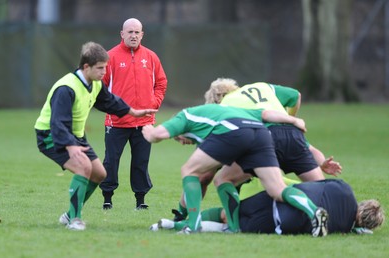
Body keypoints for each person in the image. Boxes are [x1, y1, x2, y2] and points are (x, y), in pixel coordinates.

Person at [171, 78, 341, 225]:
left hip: (264, 141)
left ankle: (233, 226)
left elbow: (203, 176)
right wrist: (291, 119)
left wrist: (181, 213)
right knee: (322, 190)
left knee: (224, 179)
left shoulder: (223, 110)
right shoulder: (262, 87)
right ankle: (346, 222)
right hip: (293, 133)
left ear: (214, 102)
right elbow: (296, 96)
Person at [142, 103, 329, 237]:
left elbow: (156, 135)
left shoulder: (185, 116)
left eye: (179, 139)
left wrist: (146, 128)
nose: (182, 142)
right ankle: (314, 212)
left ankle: (192, 225)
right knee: (271, 188)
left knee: (189, 171)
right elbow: (265, 114)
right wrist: (293, 121)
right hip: (261, 132)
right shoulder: (225, 111)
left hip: (232, 130)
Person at [34, 41, 157, 230]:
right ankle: (75, 220)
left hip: (74, 136)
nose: (103, 72)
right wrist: (71, 145)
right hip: (51, 135)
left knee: (100, 173)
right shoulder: (66, 88)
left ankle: (69, 215)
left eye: (105, 67)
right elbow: (57, 123)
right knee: (83, 167)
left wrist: (132, 112)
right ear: (86, 67)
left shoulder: (95, 84)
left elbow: (109, 102)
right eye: (100, 68)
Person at [151, 179, 385, 235]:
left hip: (284, 197)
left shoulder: (343, 187)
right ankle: (173, 224)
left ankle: (178, 222)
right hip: (283, 221)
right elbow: (351, 225)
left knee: (228, 214)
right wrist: (357, 228)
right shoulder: (345, 227)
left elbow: (312, 181)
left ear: (363, 203)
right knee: (234, 227)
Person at [100, 18, 168, 210]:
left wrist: (153, 102)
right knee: (111, 162)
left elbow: (161, 83)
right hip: (117, 122)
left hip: (144, 122)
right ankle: (107, 198)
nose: (133, 35)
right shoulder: (110, 56)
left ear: (142, 34)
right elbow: (100, 87)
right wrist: (112, 108)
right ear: (122, 34)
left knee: (141, 163)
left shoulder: (151, 57)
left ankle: (141, 200)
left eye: (137, 32)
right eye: (130, 32)